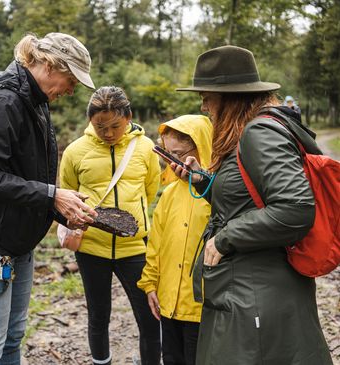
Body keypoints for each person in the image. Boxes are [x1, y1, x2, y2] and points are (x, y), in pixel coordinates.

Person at [172, 45, 333, 364]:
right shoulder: (248, 132)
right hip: (245, 289)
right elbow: (247, 196)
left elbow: (294, 209)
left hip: (256, 294)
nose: (204, 106)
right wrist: (203, 180)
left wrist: (226, 238)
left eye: (207, 96)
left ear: (230, 96)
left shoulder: (260, 133)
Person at [0, 32, 97, 365]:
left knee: (12, 340)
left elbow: (30, 178)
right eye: (70, 80)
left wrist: (63, 208)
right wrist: (52, 195)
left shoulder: (35, 103)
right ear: (49, 65)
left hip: (14, 243)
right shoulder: (5, 101)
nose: (71, 90)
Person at [59, 86, 161, 365]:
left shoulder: (146, 147)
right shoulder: (75, 151)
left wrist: (132, 218)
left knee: (150, 318)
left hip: (135, 248)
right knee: (98, 315)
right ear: (90, 121)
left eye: (115, 125)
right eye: (99, 126)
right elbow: (67, 195)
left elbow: (151, 189)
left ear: (128, 117)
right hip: (92, 248)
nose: (108, 133)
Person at [137, 115, 212, 365]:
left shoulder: (218, 191)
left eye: (178, 154)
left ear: (201, 147)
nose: (172, 162)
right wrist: (150, 285)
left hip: (202, 307)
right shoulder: (168, 194)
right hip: (169, 302)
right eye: (167, 154)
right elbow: (155, 244)